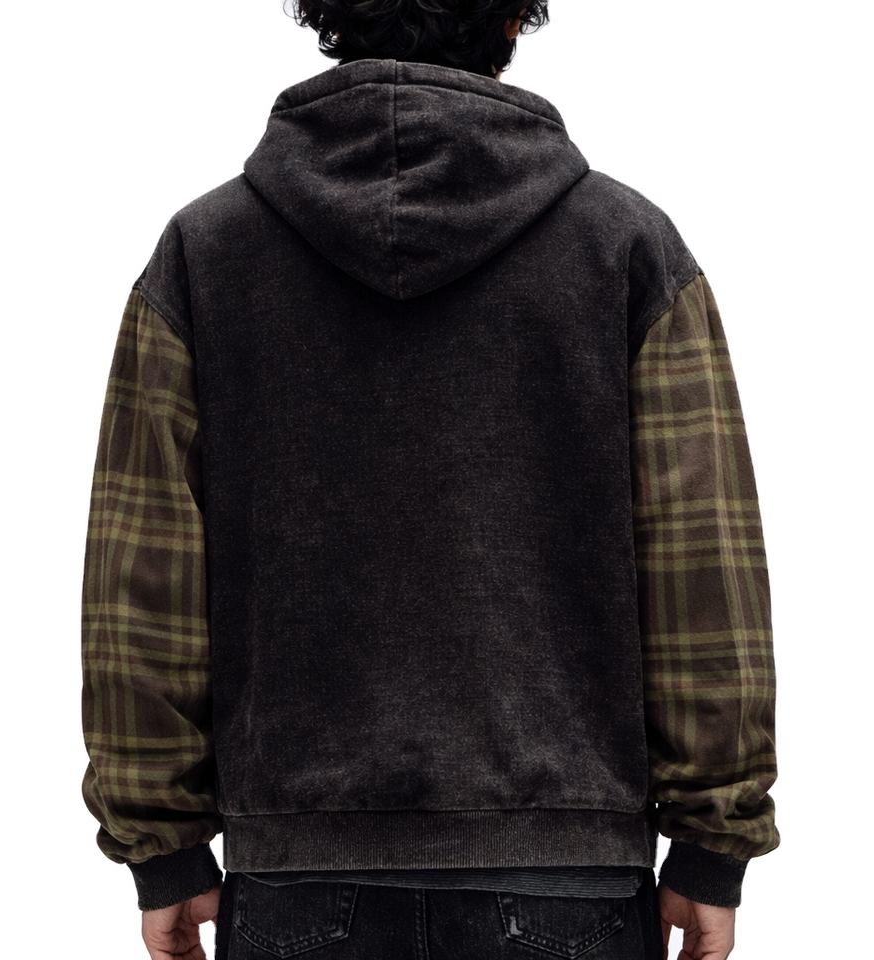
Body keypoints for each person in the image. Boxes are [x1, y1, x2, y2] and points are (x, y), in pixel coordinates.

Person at [79, 3, 780, 958]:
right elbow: (701, 563)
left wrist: (162, 848)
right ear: (513, 17)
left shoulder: (206, 252)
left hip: (298, 880)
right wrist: (710, 844)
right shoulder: (627, 246)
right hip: (565, 879)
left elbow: (140, 579)